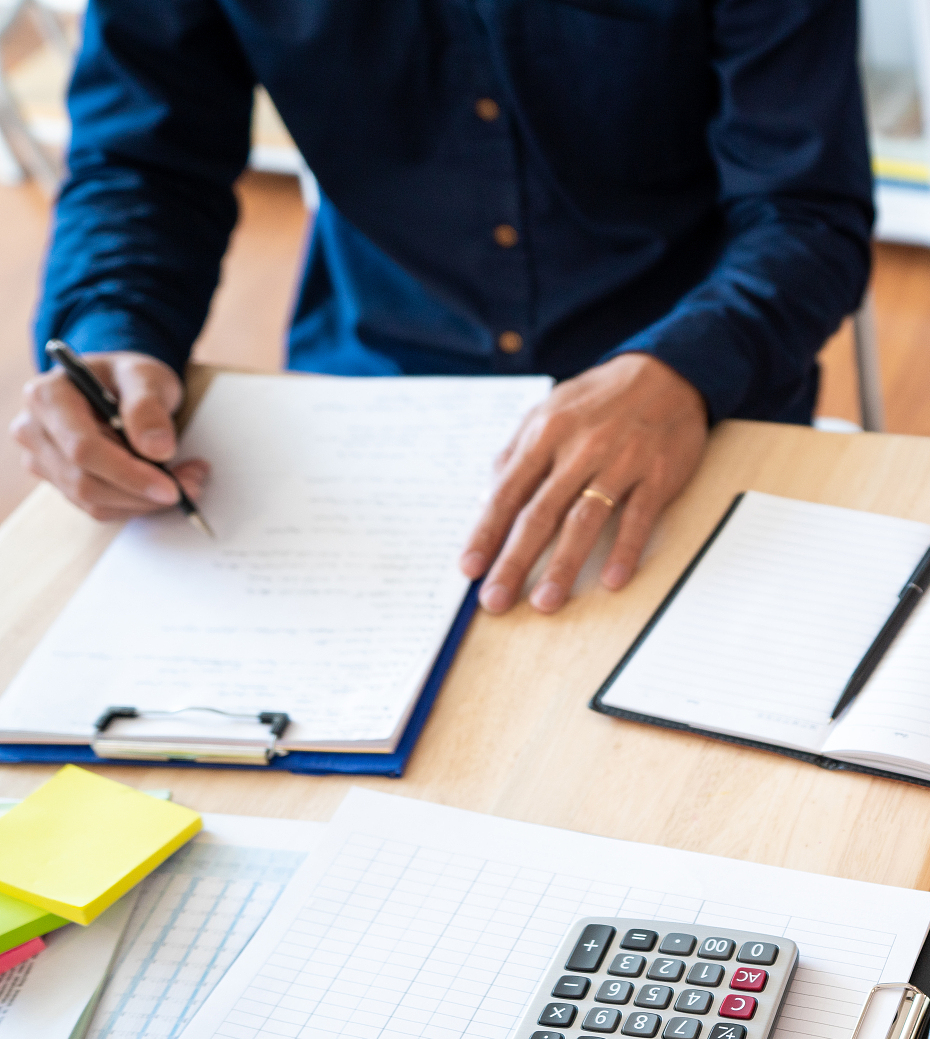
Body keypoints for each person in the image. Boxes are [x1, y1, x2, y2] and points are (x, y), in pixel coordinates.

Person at [12, 0, 871, 616]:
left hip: (696, 396)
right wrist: (112, 331)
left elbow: (807, 212)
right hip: (371, 404)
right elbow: (141, 164)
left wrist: (684, 367)